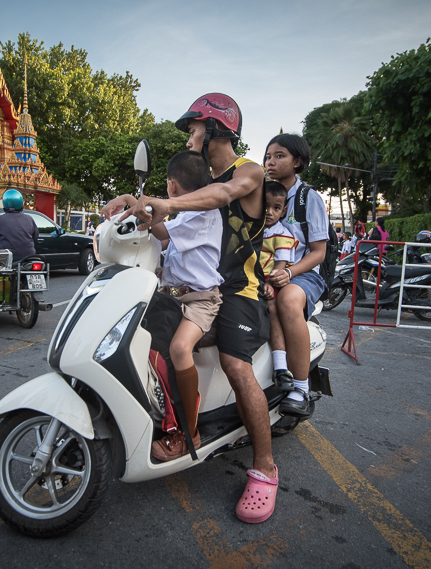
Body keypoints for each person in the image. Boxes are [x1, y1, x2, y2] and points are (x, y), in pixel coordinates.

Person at [101, 93, 279, 524]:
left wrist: (168, 204)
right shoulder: (195, 178)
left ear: (216, 128)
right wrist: (132, 201)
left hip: (239, 289)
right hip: (187, 287)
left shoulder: (247, 172)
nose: (189, 135)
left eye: (194, 128)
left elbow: (222, 194)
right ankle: (165, 423)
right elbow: (166, 219)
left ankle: (265, 468)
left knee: (236, 366)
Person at [148, 150, 224, 461]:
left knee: (179, 349)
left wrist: (138, 204)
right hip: (171, 296)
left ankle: (189, 433)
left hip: (201, 301)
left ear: (172, 186)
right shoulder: (187, 214)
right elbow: (163, 242)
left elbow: (161, 231)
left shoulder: (202, 215)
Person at [263, 134, 328, 421]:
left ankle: (300, 389)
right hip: (265, 270)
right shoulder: (261, 193)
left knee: (288, 301)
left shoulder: (308, 198)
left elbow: (318, 252)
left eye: (280, 156)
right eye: (268, 156)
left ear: (297, 162)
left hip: (303, 274)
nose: (271, 162)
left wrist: (288, 272)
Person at [260, 181, 299, 390]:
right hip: (248, 280)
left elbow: (279, 268)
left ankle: (280, 367)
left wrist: (267, 284)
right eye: (266, 206)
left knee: (273, 308)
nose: (269, 212)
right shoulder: (251, 230)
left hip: (269, 282)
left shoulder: (283, 235)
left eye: (276, 208)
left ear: (283, 211)